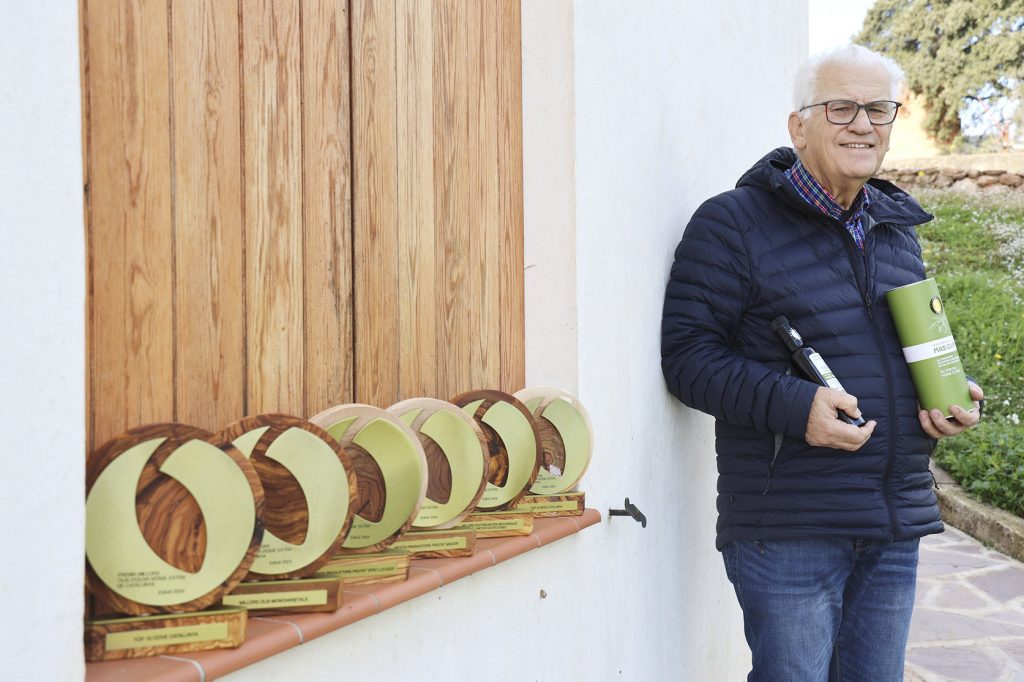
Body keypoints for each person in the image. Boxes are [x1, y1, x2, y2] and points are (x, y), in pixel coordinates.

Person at [660, 45, 984, 682]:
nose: (862, 124)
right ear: (798, 126)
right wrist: (797, 406)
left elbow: (897, 355)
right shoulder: (733, 223)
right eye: (840, 108)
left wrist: (942, 397)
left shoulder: (895, 231)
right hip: (789, 527)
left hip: (893, 520)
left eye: (878, 109)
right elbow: (688, 357)